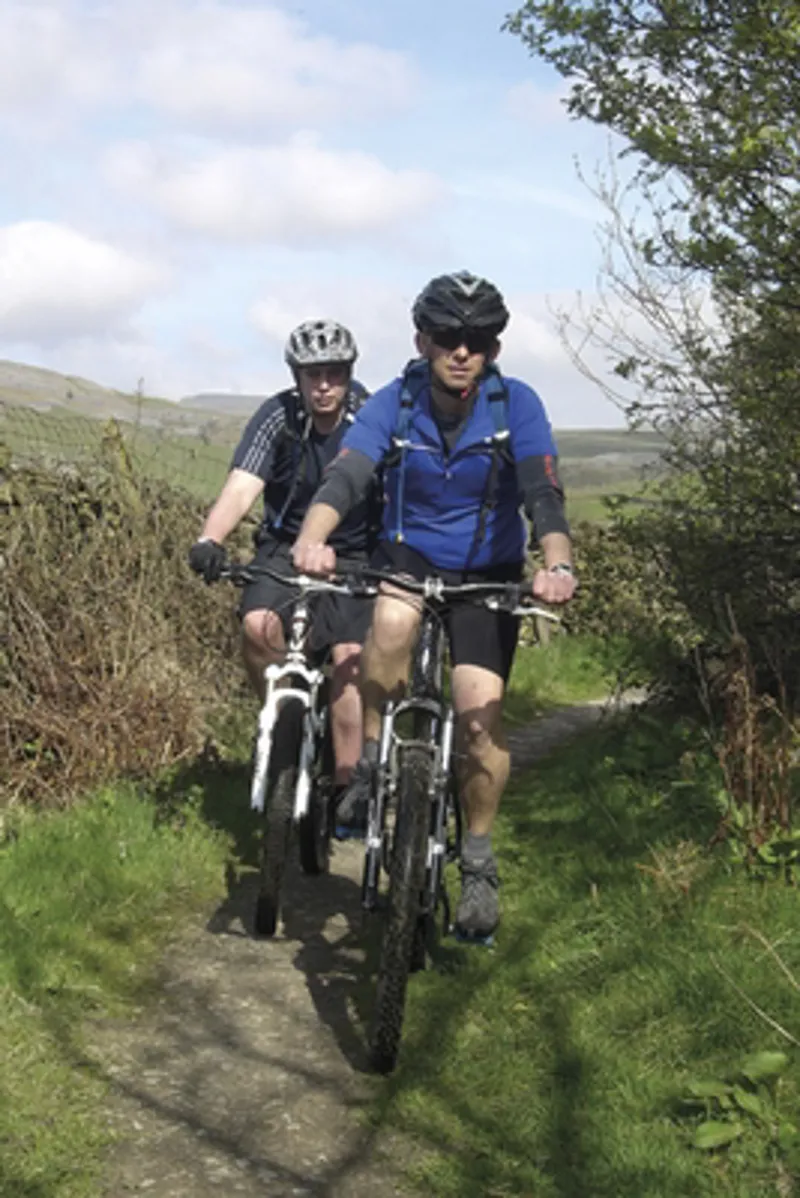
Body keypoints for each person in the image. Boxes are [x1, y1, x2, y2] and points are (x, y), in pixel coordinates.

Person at [291, 272, 577, 940]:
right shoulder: (394, 401)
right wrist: (312, 538)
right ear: (422, 340)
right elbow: (349, 474)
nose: (462, 351)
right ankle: (367, 767)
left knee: (479, 722)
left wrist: (557, 563)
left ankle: (476, 858)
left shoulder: (518, 406)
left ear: (493, 350)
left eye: (478, 340)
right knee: (388, 624)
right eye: (448, 337)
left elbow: (543, 495)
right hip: (410, 558)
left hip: (489, 570)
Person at [188, 319, 374, 797]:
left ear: (349, 373)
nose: (325, 384)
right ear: (298, 377)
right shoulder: (279, 416)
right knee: (258, 627)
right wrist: (210, 538)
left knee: (350, 660)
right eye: (314, 374)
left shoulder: (370, 416)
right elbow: (242, 485)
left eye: (334, 372)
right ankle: (279, 722)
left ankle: (349, 790)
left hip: (355, 554)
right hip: (284, 550)